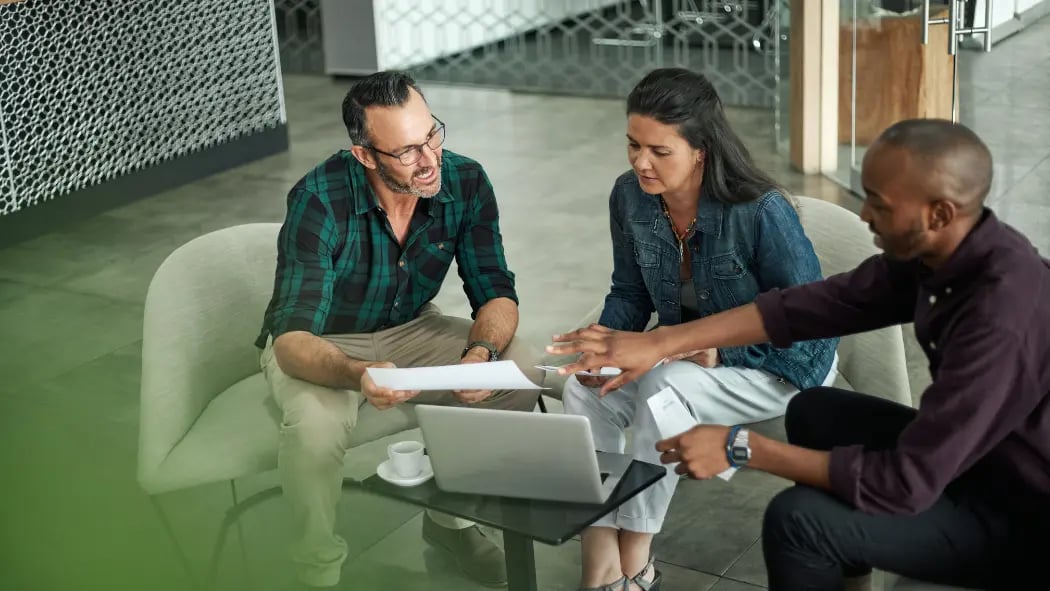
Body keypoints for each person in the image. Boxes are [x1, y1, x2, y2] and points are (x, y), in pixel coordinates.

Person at [548, 118, 1050, 590]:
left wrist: (743, 447)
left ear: (938, 213)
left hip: (1022, 511)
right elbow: (809, 308)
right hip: (985, 459)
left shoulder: (999, 316)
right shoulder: (946, 253)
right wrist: (661, 341)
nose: (864, 215)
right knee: (817, 411)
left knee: (796, 520)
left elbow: (905, 483)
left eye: (878, 203)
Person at [256, 71, 542, 589]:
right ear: (365, 155)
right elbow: (291, 342)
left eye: (432, 133)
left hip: (411, 327)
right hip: (324, 342)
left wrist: (479, 353)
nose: (431, 159)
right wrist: (360, 373)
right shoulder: (318, 198)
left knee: (515, 368)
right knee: (315, 430)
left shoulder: (465, 179)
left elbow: (496, 290)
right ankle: (316, 570)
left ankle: (451, 521)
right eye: (407, 152)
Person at [558, 68, 839, 591]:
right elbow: (631, 292)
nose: (641, 162)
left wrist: (720, 355)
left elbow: (812, 335)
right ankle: (599, 552)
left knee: (667, 389)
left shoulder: (761, 211)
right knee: (583, 388)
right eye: (633, 145)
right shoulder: (630, 197)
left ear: (701, 150)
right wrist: (606, 343)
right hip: (681, 351)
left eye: (659, 151)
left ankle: (637, 554)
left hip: (775, 364)